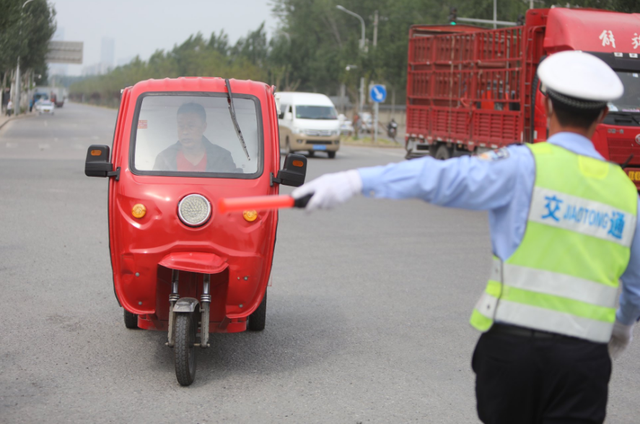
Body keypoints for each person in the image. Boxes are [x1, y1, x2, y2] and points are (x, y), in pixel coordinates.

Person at [292, 51, 640, 424]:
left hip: (514, 354)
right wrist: (621, 326)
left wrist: (354, 180)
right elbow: (634, 288)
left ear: (545, 104)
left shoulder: (522, 165)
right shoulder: (626, 193)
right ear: (602, 115)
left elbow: (439, 178)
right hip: (584, 363)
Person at [153, 102, 238, 172]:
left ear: (203, 127)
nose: (185, 132)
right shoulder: (164, 159)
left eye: (191, 126)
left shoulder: (222, 158)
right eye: (181, 126)